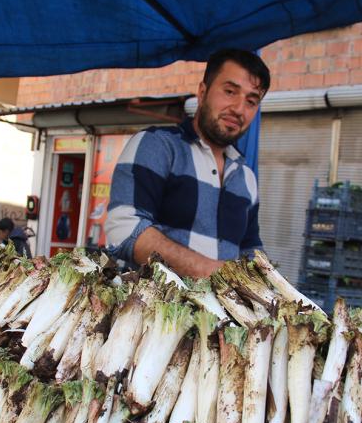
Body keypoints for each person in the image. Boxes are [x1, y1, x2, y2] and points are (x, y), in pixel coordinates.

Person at [105, 48, 268, 278]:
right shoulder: (157, 146)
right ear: (202, 92)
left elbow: (250, 248)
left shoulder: (247, 177)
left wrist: (268, 282)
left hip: (223, 302)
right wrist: (215, 275)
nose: (239, 109)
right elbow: (124, 230)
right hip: (151, 299)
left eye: (251, 101)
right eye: (230, 91)